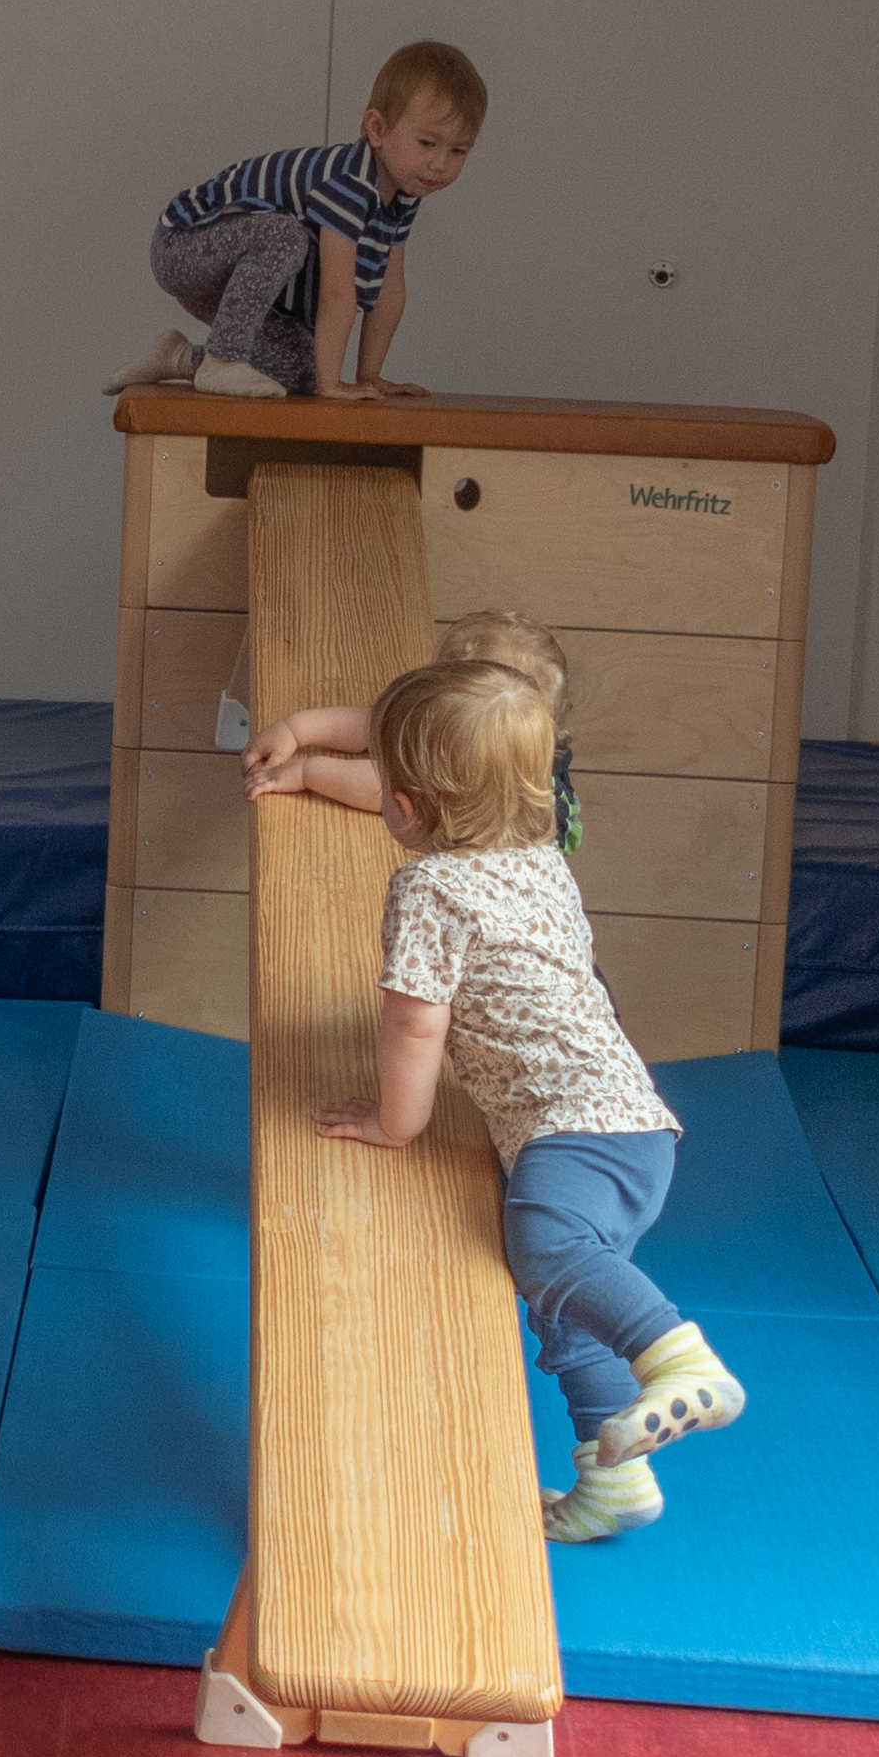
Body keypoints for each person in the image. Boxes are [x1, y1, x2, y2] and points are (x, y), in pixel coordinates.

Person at [313, 658, 741, 1545]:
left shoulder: (429, 888)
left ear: (411, 806)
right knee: (563, 1305)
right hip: (633, 1126)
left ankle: (678, 1356)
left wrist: (396, 1124)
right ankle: (612, 1485)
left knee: (546, 1253)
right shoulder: (539, 858)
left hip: (572, 1131)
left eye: (385, 782)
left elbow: (412, 1026)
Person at [114, 40, 485, 401]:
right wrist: (333, 386)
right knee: (286, 237)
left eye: (458, 150)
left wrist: (368, 375)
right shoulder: (349, 184)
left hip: (236, 277)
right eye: (427, 143)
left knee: (304, 362)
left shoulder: (400, 199)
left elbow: (389, 294)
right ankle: (222, 360)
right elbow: (338, 293)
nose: (440, 164)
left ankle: (178, 357)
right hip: (183, 242)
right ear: (377, 129)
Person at [244, 611, 584, 858]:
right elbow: (382, 723)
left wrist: (306, 772)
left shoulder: (486, 766)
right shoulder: (492, 725)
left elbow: (389, 786)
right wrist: (296, 730)